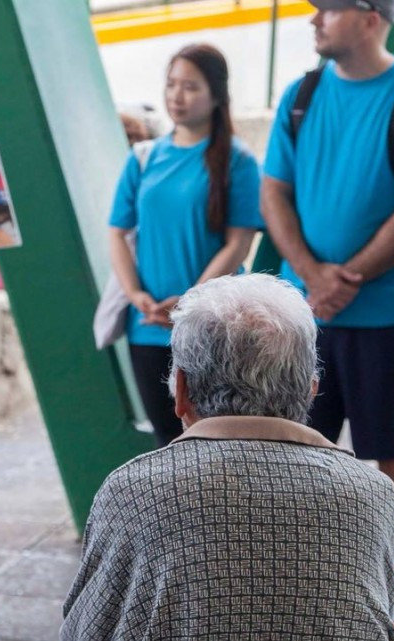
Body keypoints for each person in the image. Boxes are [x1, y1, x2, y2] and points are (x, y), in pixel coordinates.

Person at [62, 274, 394, 640]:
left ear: (180, 390)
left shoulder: (131, 491)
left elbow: (85, 629)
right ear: (310, 392)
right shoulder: (374, 495)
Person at [259, 1, 394, 632]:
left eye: (330, 9)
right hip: (301, 318)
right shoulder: (301, 94)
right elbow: (274, 193)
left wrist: (351, 277)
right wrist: (315, 278)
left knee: (392, 456)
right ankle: (298, 574)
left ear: (371, 17)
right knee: (289, 454)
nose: (315, 20)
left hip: (385, 317)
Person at [108, 44, 262, 446]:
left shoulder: (238, 162)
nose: (177, 95)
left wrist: (192, 302)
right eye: (171, 84)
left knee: (220, 442)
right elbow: (118, 234)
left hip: (214, 327)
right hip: (149, 328)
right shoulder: (143, 158)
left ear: (216, 95)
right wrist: (137, 296)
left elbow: (238, 243)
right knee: (168, 446)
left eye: (190, 86)